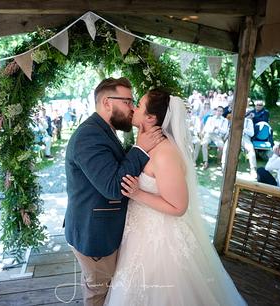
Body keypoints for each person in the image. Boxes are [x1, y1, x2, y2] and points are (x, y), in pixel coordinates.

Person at [105, 90, 246, 306]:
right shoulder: (145, 145)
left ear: (151, 118)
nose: (133, 108)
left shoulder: (164, 153)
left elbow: (179, 206)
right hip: (139, 231)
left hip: (160, 238)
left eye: (139, 105)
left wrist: (137, 193)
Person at [64, 78, 164, 306]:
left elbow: (114, 168)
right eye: (128, 101)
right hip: (95, 234)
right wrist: (140, 149)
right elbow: (113, 188)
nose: (132, 108)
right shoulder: (89, 137)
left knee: (100, 286)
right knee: (98, 294)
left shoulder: (103, 130)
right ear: (107, 102)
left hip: (100, 227)